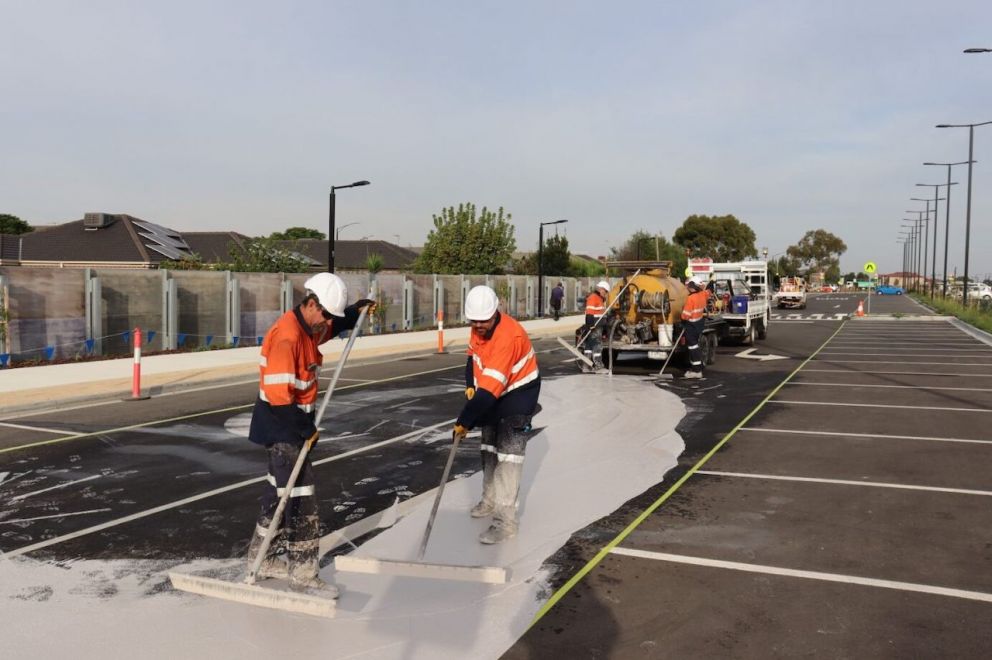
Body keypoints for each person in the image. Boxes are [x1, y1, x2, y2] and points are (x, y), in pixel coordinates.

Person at [244, 272, 374, 594]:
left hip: (291, 423)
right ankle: (303, 573)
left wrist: (355, 312)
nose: (327, 322)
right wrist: (307, 430)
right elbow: (279, 399)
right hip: (283, 425)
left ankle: (262, 558)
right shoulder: (287, 338)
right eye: (326, 314)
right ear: (312, 304)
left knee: (278, 495)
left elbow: (329, 329)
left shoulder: (308, 327)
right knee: (301, 498)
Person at [454, 285, 540, 544]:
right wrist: (470, 384)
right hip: (492, 392)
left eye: (484, 321)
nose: (478, 325)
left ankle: (505, 522)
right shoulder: (479, 328)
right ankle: (489, 501)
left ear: (495, 313)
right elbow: (473, 358)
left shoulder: (507, 337)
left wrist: (464, 421)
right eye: (474, 321)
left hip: (518, 394)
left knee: (508, 457)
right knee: (489, 449)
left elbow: (491, 391)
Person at [681, 275, 710, 379]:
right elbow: (708, 292)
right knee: (695, 346)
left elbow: (685, 315)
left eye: (689, 286)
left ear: (693, 286)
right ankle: (698, 367)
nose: (688, 288)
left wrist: (682, 312)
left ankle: (697, 371)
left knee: (693, 347)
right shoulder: (702, 295)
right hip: (699, 324)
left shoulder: (691, 298)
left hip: (691, 325)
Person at [580, 280, 611, 370]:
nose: (606, 294)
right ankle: (599, 366)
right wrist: (590, 325)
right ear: (601, 289)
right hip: (595, 326)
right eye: (606, 292)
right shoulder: (593, 297)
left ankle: (586, 366)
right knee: (597, 345)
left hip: (598, 326)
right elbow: (589, 312)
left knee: (589, 346)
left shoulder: (599, 299)